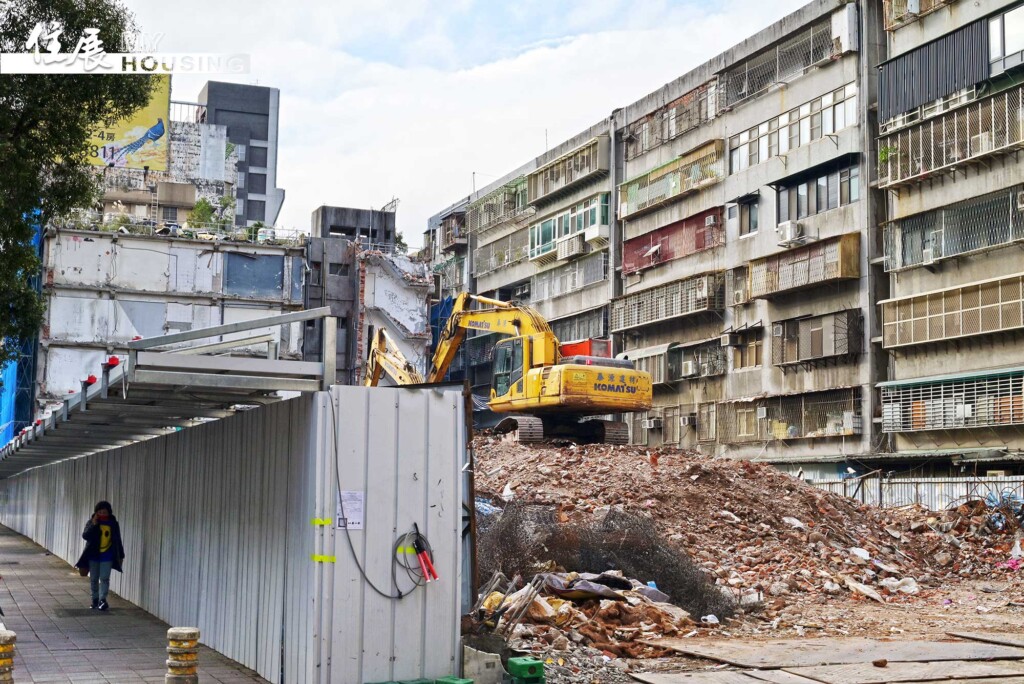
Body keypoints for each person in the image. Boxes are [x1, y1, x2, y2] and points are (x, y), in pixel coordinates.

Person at [74, 501, 125, 611]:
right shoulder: (91, 522)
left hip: (108, 555)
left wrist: (121, 554)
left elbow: (118, 540)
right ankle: (95, 600)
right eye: (100, 512)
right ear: (96, 512)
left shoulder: (113, 524)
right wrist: (94, 524)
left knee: (104, 578)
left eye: (104, 512)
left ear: (109, 512)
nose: (102, 513)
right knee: (94, 578)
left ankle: (103, 600)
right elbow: (85, 536)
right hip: (93, 555)